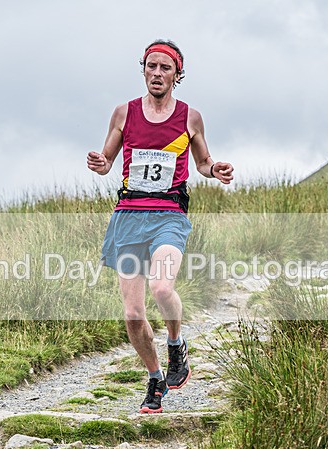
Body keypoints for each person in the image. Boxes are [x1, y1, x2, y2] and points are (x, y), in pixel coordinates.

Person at [86, 39, 234, 414]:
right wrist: (100, 164)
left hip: (169, 215)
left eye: (165, 68)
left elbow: (202, 162)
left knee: (162, 286)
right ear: (144, 70)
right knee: (133, 316)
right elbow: (107, 161)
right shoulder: (124, 113)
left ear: (177, 75)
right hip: (128, 217)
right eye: (151, 66)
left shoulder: (189, 117)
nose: (157, 73)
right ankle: (154, 378)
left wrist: (214, 170)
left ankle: (175, 343)